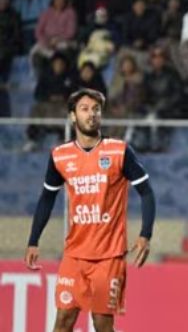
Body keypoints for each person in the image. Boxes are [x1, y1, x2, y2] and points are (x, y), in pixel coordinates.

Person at [24, 88, 156, 332]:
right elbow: (46, 199)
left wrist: (145, 234)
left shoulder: (119, 151)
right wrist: (33, 240)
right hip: (75, 254)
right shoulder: (60, 156)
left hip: (109, 255)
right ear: (73, 116)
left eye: (96, 109)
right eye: (84, 109)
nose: (91, 114)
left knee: (102, 323)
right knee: (63, 320)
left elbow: (147, 192)